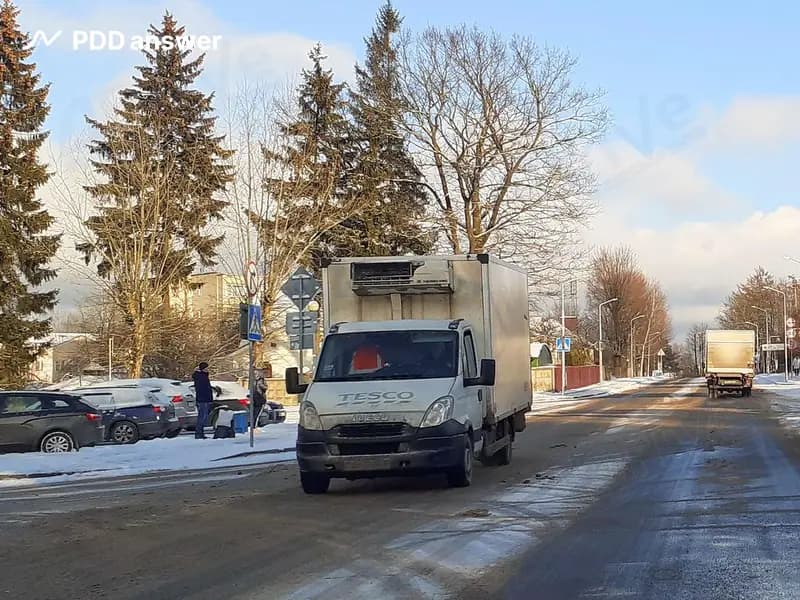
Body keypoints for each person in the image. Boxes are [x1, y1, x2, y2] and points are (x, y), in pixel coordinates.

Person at [192, 361, 213, 439]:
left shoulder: (203, 376)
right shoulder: (200, 377)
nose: (208, 369)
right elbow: (203, 389)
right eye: (206, 368)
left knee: (203, 417)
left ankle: (200, 432)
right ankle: (199, 433)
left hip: (205, 399)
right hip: (202, 399)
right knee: (202, 417)